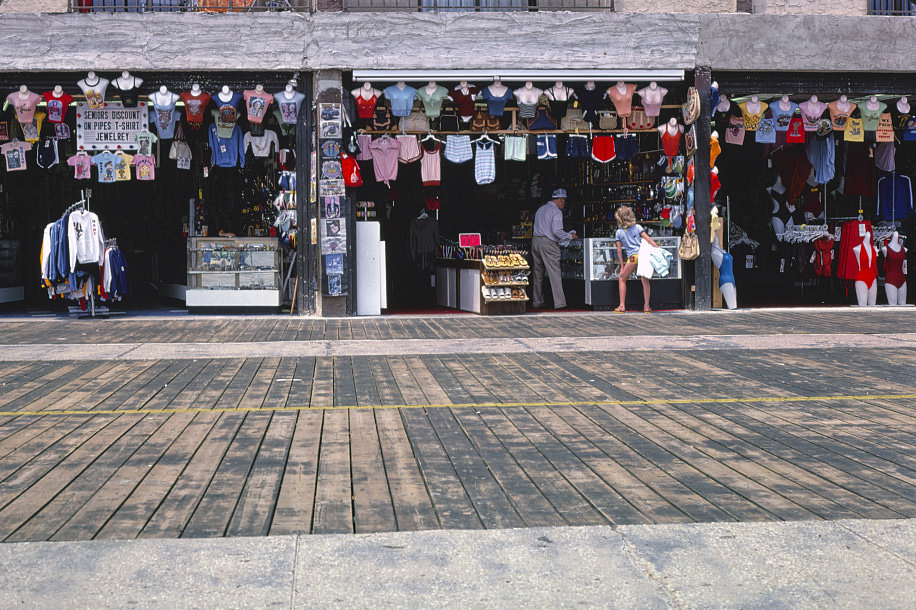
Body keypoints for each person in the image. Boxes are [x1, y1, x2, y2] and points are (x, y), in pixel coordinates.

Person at [531, 188, 576, 309]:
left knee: (537, 273)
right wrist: (569, 236)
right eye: (564, 200)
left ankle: (537, 301)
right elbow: (556, 231)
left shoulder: (540, 209)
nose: (564, 203)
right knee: (554, 273)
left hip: (535, 241)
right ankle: (560, 303)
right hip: (548, 243)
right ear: (560, 200)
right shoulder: (556, 212)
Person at [614, 205, 658, 312]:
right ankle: (646, 307)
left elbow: (619, 251)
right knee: (644, 279)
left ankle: (622, 306)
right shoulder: (637, 227)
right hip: (642, 255)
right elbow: (648, 240)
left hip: (633, 257)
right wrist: (657, 249)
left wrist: (622, 266)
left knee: (622, 278)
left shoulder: (619, 232)